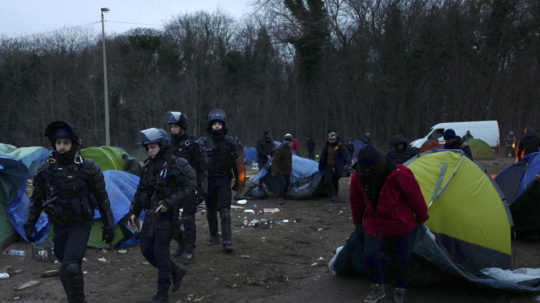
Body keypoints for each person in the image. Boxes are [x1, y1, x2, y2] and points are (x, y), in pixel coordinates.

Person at [24, 121, 115, 303]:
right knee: (67, 268)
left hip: (81, 223)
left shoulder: (87, 167)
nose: (62, 147)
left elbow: (102, 197)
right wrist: (30, 223)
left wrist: (108, 223)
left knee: (71, 267)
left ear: (73, 144)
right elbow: (37, 200)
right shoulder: (46, 169)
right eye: (58, 143)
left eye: (66, 143)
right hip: (59, 224)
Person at [350, 145, 429, 303]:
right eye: (363, 169)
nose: (366, 172)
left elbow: (415, 198)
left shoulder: (400, 174)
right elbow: (356, 201)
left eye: (369, 169)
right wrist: (358, 224)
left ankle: (400, 287)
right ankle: (377, 287)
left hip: (401, 223)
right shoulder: (358, 176)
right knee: (370, 255)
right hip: (374, 222)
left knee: (402, 257)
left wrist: (421, 218)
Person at [128, 128, 194, 303]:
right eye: (148, 148)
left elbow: (189, 186)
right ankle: (177, 272)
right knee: (146, 250)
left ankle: (162, 293)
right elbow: (141, 190)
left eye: (153, 147)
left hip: (167, 216)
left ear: (162, 146)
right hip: (150, 215)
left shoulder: (176, 164)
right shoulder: (147, 166)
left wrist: (169, 203)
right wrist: (133, 212)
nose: (150, 151)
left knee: (160, 252)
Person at [197, 109, 245, 253]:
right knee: (211, 211)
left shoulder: (232, 142)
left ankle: (227, 241)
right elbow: (196, 164)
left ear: (223, 125)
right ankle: (213, 236)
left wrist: (239, 183)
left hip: (224, 180)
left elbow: (239, 165)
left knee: (224, 211)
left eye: (219, 124)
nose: (217, 126)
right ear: (210, 125)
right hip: (209, 181)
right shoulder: (203, 142)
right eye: (214, 124)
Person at [165, 111, 207, 264]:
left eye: (175, 126)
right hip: (173, 188)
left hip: (189, 186)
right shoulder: (168, 144)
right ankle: (182, 244)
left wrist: (200, 188)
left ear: (182, 127)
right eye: (171, 126)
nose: (172, 129)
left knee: (188, 219)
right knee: (172, 220)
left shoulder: (192, 144)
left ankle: (189, 249)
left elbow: (201, 168)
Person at [319, 131, 350, 201]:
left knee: (335, 180)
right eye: (330, 140)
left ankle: (335, 194)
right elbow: (323, 157)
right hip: (328, 166)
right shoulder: (326, 147)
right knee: (328, 180)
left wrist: (348, 163)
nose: (331, 141)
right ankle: (332, 194)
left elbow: (346, 155)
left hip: (337, 166)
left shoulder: (340, 146)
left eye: (333, 140)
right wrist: (320, 166)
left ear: (336, 139)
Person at [272, 133, 293, 203]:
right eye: (288, 140)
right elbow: (275, 160)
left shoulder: (289, 148)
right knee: (282, 183)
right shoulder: (280, 148)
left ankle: (284, 196)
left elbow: (289, 159)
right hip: (280, 170)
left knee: (287, 183)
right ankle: (280, 197)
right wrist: (277, 170)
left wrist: (290, 168)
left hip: (287, 170)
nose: (289, 142)